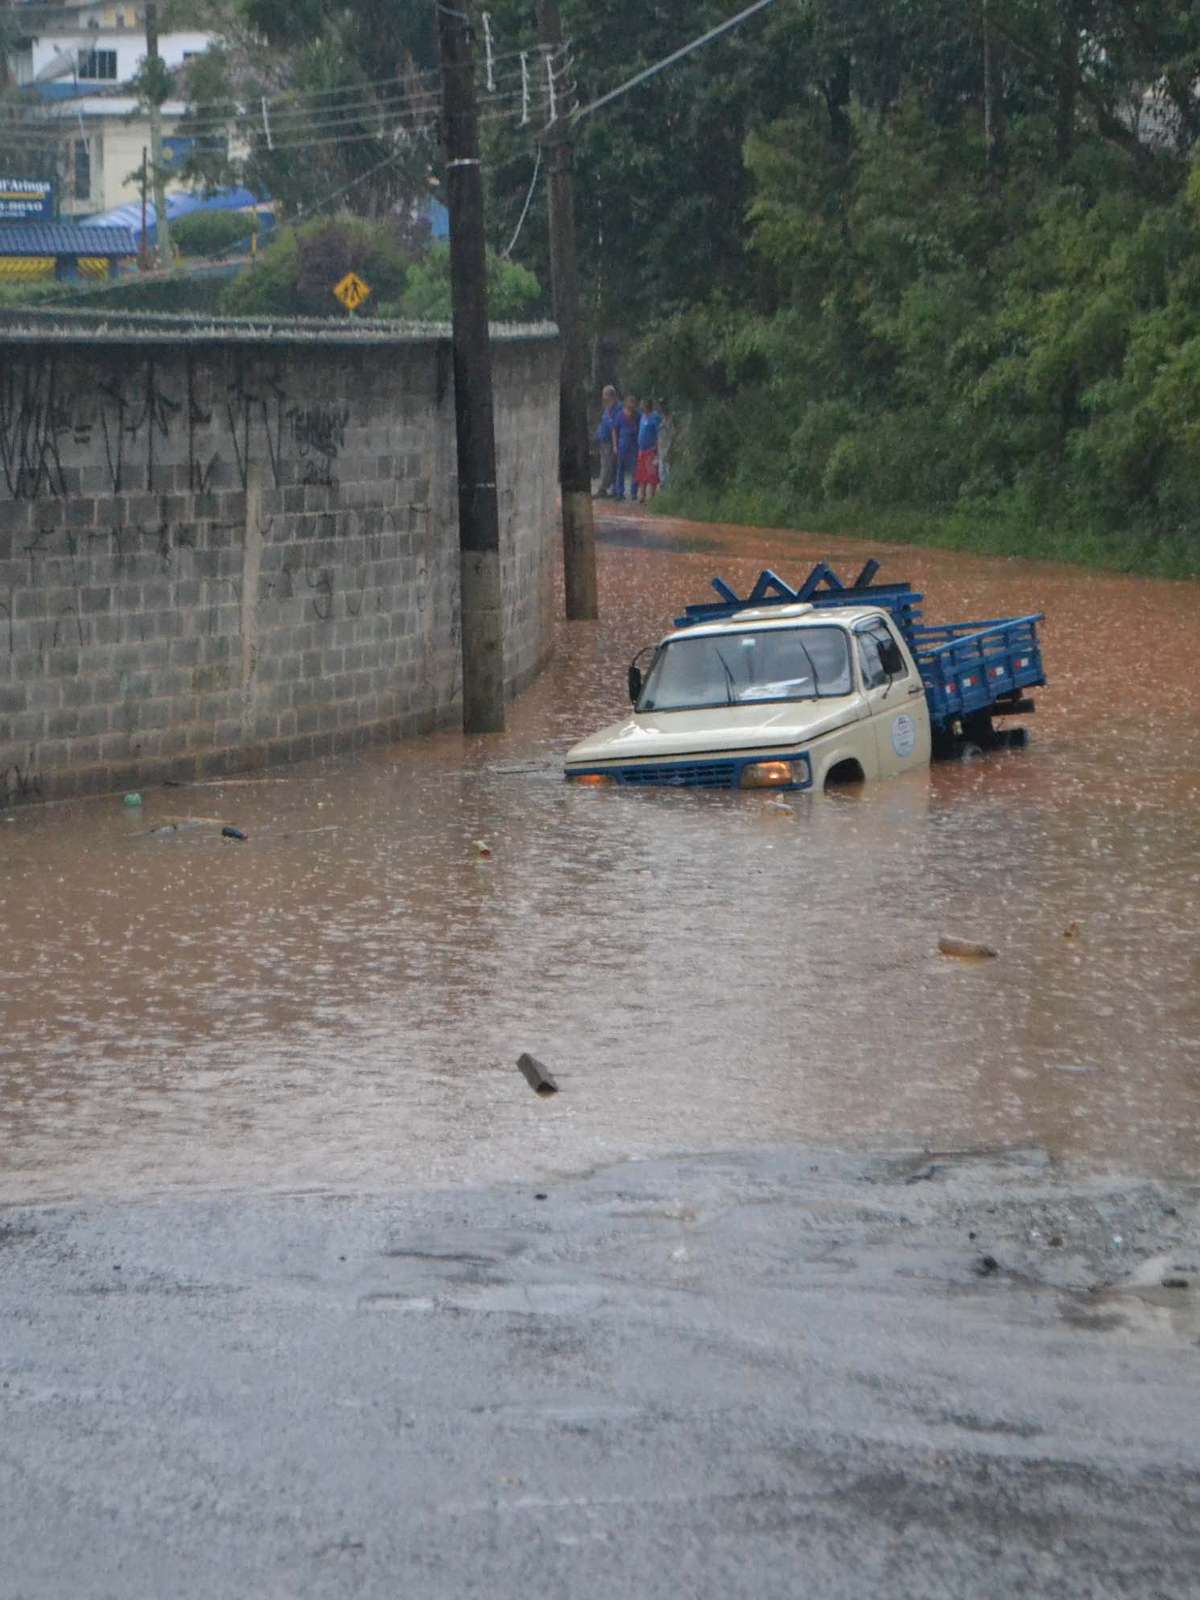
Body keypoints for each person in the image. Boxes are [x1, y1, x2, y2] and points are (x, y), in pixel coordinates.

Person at [593, 384, 621, 498]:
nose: (603, 398)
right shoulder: (607, 408)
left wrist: (615, 445)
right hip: (602, 441)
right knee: (604, 464)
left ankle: (603, 489)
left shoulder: (617, 409)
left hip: (610, 442)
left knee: (608, 465)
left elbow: (614, 427)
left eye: (605, 395)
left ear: (611, 395)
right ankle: (606, 488)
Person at [634, 397, 663, 504]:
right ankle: (642, 495)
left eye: (642, 404)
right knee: (641, 473)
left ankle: (653, 496)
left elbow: (659, 433)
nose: (640, 406)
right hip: (642, 449)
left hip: (651, 450)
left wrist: (656, 447)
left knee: (651, 474)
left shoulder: (655, 417)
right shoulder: (642, 416)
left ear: (647, 405)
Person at [612, 395, 640, 501]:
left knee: (634, 470)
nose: (632, 405)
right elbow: (614, 430)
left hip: (634, 446)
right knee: (620, 470)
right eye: (630, 403)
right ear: (626, 404)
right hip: (622, 445)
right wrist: (615, 445)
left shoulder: (638, 415)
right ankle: (620, 492)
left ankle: (634, 492)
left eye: (634, 403)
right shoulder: (620, 415)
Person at [656, 401, 673, 487]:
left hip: (668, 445)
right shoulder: (661, 418)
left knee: (667, 466)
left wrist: (670, 447)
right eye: (660, 405)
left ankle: (669, 486)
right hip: (661, 445)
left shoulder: (671, 418)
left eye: (663, 405)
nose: (661, 407)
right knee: (661, 467)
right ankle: (663, 485)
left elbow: (672, 434)